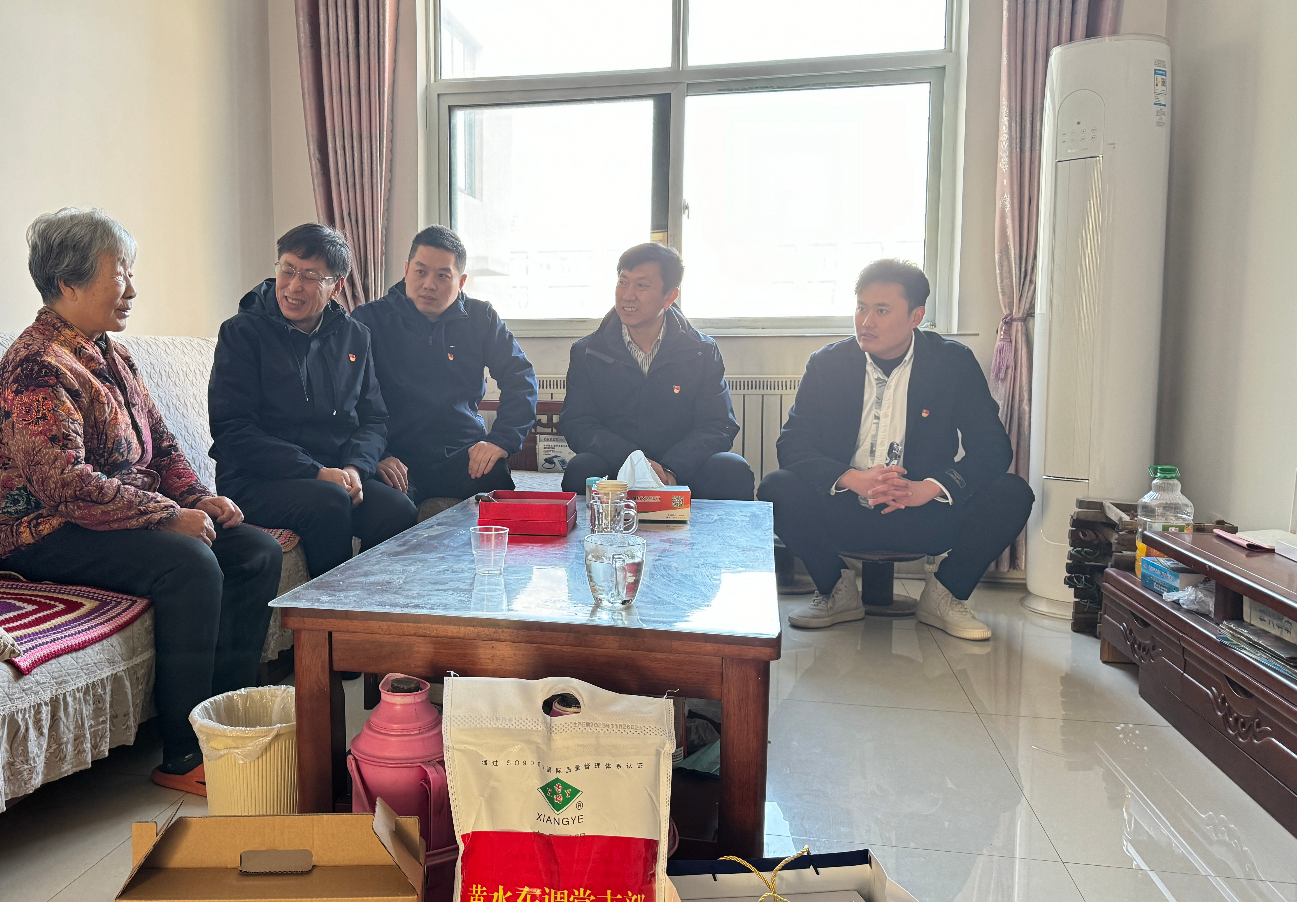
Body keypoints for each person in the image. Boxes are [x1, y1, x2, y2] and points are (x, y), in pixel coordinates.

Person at [0, 208, 284, 796]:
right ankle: (183, 753)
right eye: (119, 274)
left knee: (254, 550)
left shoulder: (112, 355)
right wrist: (169, 517)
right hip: (43, 533)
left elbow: (161, 445)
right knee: (190, 563)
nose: (131, 289)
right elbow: (66, 486)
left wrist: (200, 499)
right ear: (69, 284)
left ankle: (226, 721)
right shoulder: (35, 368)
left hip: (118, 517)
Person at [758, 258, 1035, 640]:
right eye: (861, 308)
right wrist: (851, 478)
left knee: (1012, 493)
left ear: (915, 316)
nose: (866, 321)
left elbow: (992, 448)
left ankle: (946, 594)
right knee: (775, 488)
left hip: (922, 512)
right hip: (845, 508)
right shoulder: (827, 364)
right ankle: (835, 591)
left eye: (881, 311)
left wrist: (929, 488)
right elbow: (792, 443)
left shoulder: (952, 363)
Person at [208, 223, 418, 580]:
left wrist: (355, 468)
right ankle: (331, 610)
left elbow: (373, 419)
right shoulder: (241, 333)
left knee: (398, 509)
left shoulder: (355, 336)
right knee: (328, 502)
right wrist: (315, 472)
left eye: (309, 276)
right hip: (257, 479)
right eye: (287, 269)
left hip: (334, 473)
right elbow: (232, 429)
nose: (293, 286)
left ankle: (369, 603)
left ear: (336, 286)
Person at [353, 225, 537, 504]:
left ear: (461, 282)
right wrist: (373, 455)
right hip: (395, 457)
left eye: (442, 275)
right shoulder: (369, 320)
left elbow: (520, 377)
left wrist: (501, 439)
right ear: (406, 270)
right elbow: (348, 396)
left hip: (462, 454)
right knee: (389, 509)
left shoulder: (481, 318)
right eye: (420, 272)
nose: (429, 284)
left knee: (496, 485)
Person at [558, 243, 753, 499]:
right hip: (618, 466)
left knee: (731, 468)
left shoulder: (701, 351)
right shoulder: (589, 352)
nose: (627, 296)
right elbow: (578, 423)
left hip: (682, 469)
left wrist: (671, 468)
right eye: (623, 282)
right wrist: (637, 463)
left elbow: (718, 425)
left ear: (669, 297)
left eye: (641, 285)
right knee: (582, 468)